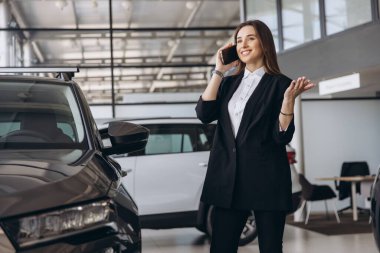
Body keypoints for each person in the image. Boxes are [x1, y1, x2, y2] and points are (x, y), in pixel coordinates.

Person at [195, 20, 314, 253]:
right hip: (228, 179)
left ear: (264, 43)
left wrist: (288, 101)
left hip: (266, 179)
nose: (243, 44)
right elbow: (203, 113)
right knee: (221, 247)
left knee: (270, 248)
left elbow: (281, 136)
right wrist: (218, 71)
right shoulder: (228, 83)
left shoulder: (281, 84)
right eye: (239, 40)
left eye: (250, 38)